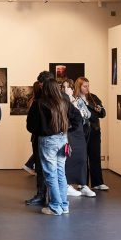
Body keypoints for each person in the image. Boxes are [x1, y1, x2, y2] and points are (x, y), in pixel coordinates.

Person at [27, 79, 80, 215]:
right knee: (61, 173)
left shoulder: (39, 104)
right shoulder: (64, 102)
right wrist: (67, 130)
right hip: (62, 139)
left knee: (50, 175)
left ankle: (55, 206)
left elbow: (30, 126)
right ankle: (64, 205)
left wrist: (41, 131)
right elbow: (77, 118)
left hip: (47, 141)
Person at [25, 71, 55, 207]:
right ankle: (46, 196)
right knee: (46, 168)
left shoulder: (43, 102)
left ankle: (52, 199)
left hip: (46, 138)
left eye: (42, 85)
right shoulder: (40, 101)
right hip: (44, 138)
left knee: (53, 169)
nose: (41, 87)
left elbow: (30, 125)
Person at [62, 78, 95, 198]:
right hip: (68, 132)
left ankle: (83, 184)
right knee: (69, 158)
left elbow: (88, 115)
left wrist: (75, 105)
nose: (66, 89)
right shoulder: (61, 101)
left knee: (82, 158)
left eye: (69, 87)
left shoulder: (77, 100)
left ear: (72, 88)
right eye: (64, 87)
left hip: (79, 131)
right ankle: (66, 185)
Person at [79, 78, 109, 191]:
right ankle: (83, 183)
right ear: (79, 86)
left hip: (94, 131)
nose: (87, 88)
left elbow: (103, 113)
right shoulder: (76, 99)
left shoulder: (93, 97)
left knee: (95, 156)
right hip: (81, 132)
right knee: (82, 158)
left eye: (88, 86)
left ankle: (97, 182)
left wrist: (99, 109)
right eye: (84, 86)